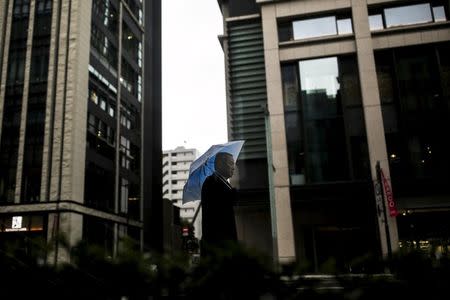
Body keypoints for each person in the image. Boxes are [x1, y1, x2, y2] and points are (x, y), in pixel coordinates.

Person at [200, 152, 238, 256]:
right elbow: (219, 207)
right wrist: (232, 194)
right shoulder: (211, 182)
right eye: (230, 163)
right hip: (217, 245)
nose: (233, 167)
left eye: (233, 163)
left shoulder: (223, 183)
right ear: (220, 164)